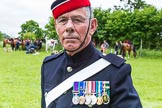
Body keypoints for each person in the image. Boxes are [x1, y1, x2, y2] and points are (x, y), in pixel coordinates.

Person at [41, 0, 142, 108]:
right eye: (62, 20)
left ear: (92, 26)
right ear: (56, 26)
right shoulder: (49, 66)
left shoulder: (115, 71)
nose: (69, 27)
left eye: (77, 20)